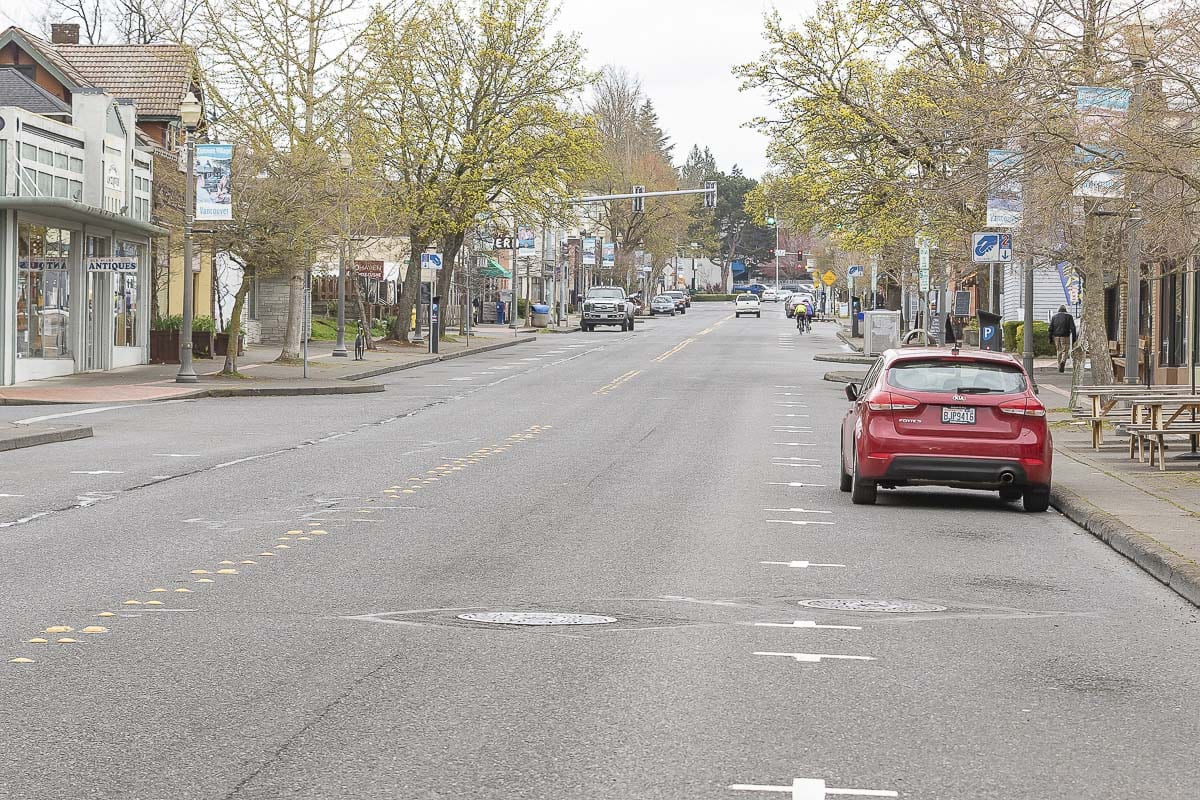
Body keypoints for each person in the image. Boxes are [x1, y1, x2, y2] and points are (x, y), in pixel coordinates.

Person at [1049, 304, 1078, 373]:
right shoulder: (1069, 317)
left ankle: (1059, 365)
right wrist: (1074, 338)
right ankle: (1063, 362)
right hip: (1065, 336)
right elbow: (1073, 328)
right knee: (1065, 350)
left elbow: (1050, 328)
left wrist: (1050, 338)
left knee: (1059, 351)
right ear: (1065, 310)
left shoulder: (1054, 317)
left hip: (1056, 336)